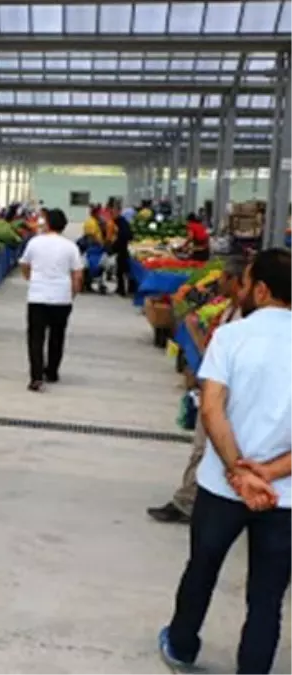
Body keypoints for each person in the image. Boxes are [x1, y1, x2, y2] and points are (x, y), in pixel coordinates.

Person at [158, 249, 292, 675]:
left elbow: (212, 410)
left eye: (248, 280)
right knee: (268, 594)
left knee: (202, 568)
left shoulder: (232, 336)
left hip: (221, 486)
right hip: (283, 495)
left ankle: (181, 646)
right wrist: (268, 474)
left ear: (261, 289)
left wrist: (238, 471)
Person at [148, 255, 247, 525]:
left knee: (205, 448)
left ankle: (189, 502)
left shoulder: (246, 319)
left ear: (239, 282)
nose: (220, 282)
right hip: (215, 390)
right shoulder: (228, 311)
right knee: (203, 448)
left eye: (225, 278)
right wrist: (193, 330)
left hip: (227, 394)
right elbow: (211, 352)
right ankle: (191, 499)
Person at [19, 208, 82, 392]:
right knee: (57, 336)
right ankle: (52, 371)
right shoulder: (71, 247)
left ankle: (36, 376)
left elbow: (24, 264)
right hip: (62, 298)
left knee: (36, 338)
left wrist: (31, 278)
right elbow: (77, 275)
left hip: (37, 296)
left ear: (47, 223)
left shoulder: (35, 243)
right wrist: (73, 294)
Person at [111, 214, 134, 297]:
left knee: (120, 272)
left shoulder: (122, 230)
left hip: (122, 253)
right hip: (126, 252)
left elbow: (119, 242)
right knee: (126, 272)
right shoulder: (125, 226)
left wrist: (112, 249)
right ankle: (128, 289)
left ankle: (122, 290)